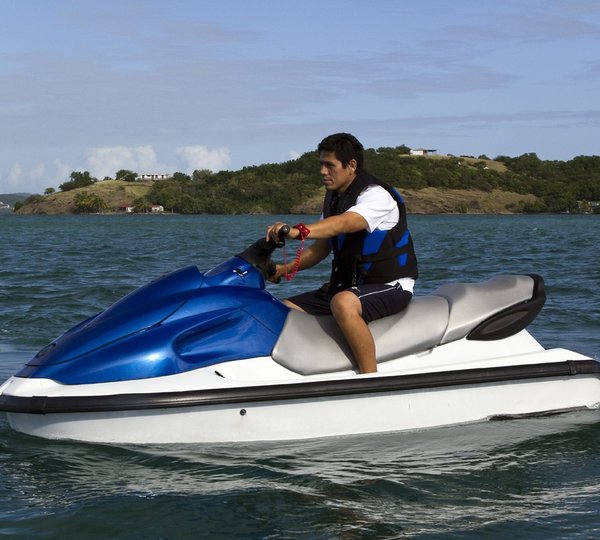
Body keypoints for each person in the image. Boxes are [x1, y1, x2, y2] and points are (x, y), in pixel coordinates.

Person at [266, 133, 418, 374]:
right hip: (347, 287)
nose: (322, 171)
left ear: (351, 166)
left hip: (391, 285)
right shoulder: (334, 199)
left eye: (330, 165)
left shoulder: (376, 195)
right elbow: (321, 249)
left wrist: (298, 231)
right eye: (321, 164)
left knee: (344, 303)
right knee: (282, 309)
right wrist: (279, 270)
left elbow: (346, 223)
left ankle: (370, 380)